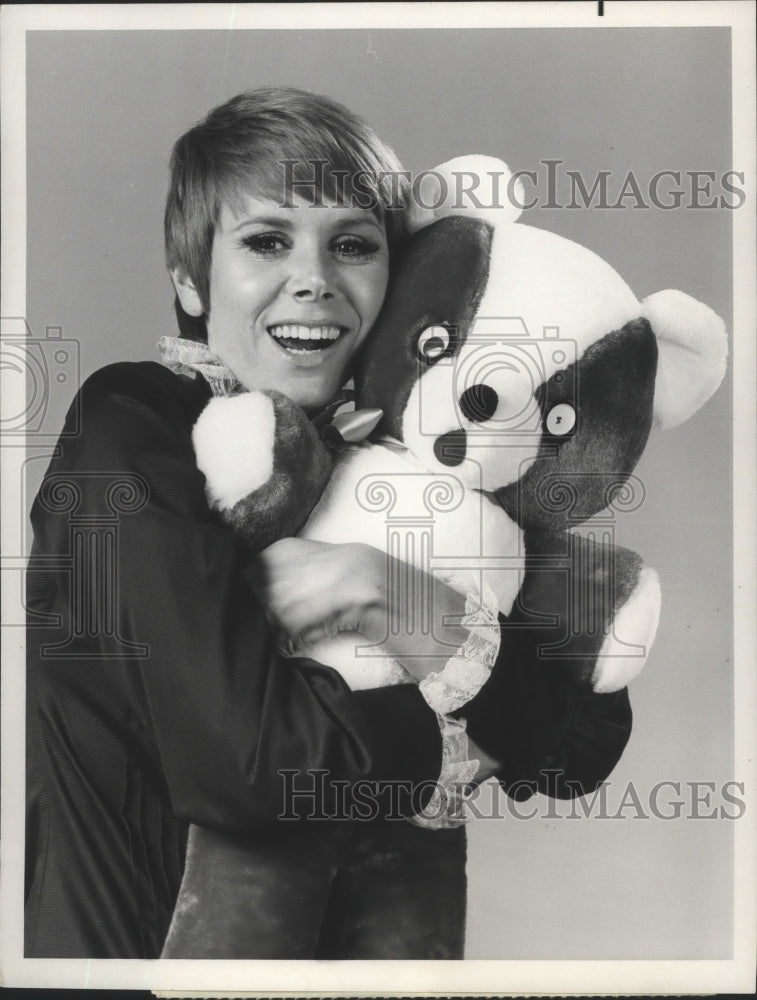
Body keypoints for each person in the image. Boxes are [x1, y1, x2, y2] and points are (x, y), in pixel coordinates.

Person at [25, 87, 633, 960]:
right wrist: (463, 739)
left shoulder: (397, 466)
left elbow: (581, 740)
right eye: (266, 240)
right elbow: (252, 765)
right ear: (190, 279)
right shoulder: (130, 423)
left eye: (352, 244)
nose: (313, 276)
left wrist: (382, 588)